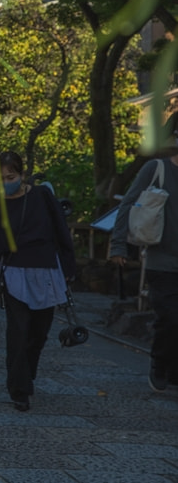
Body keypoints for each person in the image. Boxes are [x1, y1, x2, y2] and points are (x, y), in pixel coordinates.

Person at [0, 150, 76, 412]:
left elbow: (62, 232)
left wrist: (69, 269)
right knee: (18, 332)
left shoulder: (43, 197)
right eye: (1, 178)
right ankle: (19, 389)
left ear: (23, 175)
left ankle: (28, 375)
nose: (7, 182)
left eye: (11, 176)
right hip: (15, 275)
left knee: (38, 333)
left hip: (47, 272)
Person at [109, 120, 178, 392]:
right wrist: (118, 246)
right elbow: (128, 204)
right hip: (162, 260)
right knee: (171, 317)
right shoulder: (158, 169)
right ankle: (159, 364)